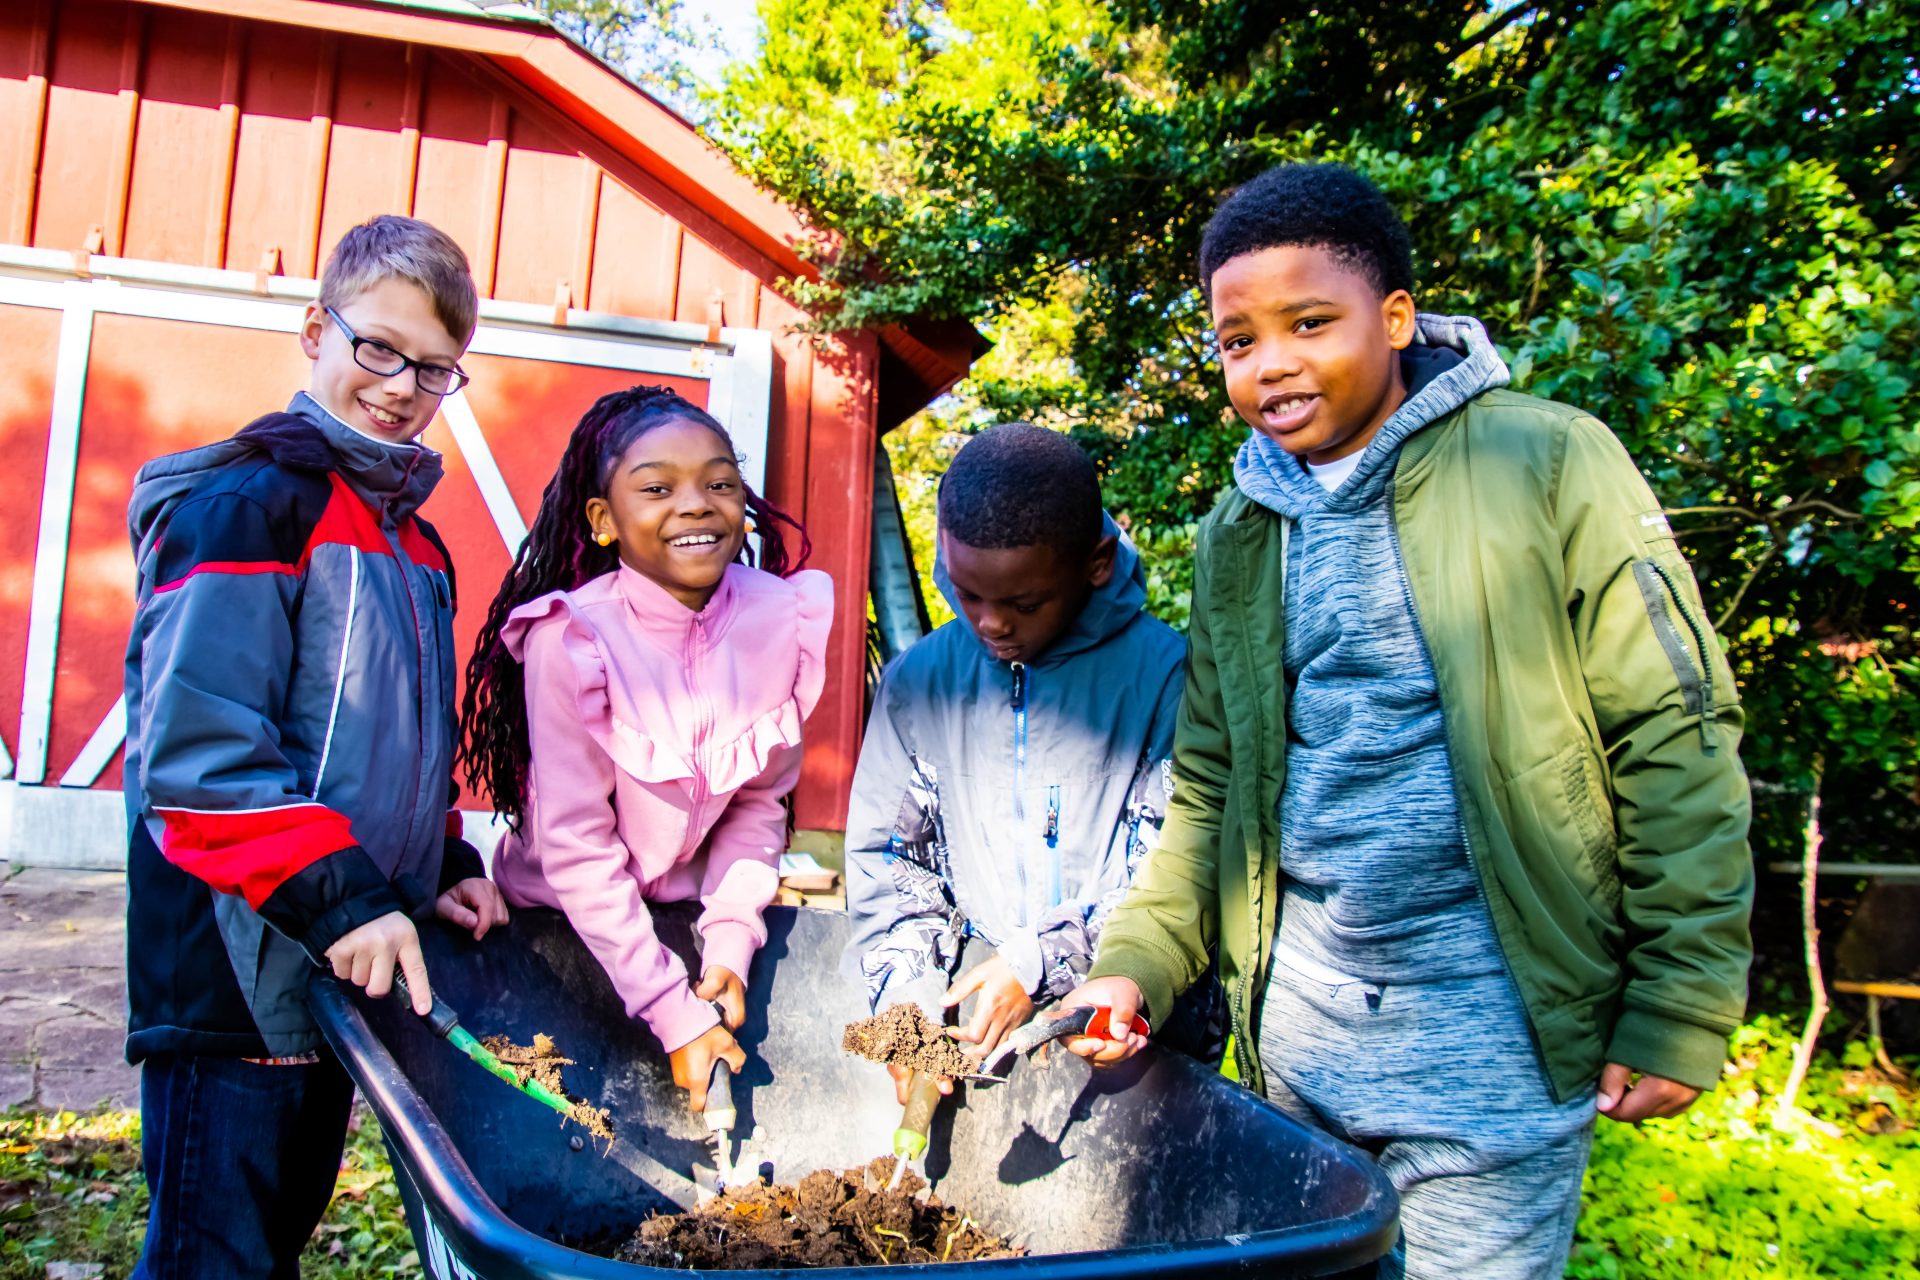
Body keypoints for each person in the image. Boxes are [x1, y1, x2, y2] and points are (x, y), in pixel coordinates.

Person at [1061, 164, 1753, 1279]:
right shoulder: (1240, 532)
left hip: (1493, 1048)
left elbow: (1671, 732)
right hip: (1297, 1051)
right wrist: (1133, 960)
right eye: (1238, 340)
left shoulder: (1544, 459)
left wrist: (1681, 992)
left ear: (1395, 319)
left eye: (1310, 321)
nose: (1272, 360)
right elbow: (1210, 789)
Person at [123, 215, 508, 1279]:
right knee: (220, 1258)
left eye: (433, 370)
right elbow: (198, 761)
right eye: (376, 346)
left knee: (275, 1239)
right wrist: (345, 899)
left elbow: (401, 746)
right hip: (238, 975)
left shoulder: (413, 540)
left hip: (340, 974)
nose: (399, 385)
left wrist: (445, 869)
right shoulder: (251, 508)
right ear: (315, 328)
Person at [459, 385, 831, 1113]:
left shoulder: (781, 620)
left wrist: (727, 943)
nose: (696, 504)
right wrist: (667, 1005)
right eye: (657, 487)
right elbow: (577, 847)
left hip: (685, 926)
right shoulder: (573, 641)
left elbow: (758, 806)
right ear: (604, 520)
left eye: (720, 482)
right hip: (557, 937)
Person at [844, 422, 1188, 1104]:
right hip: (978, 1018)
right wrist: (912, 1008)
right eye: (968, 594)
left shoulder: (1167, 676)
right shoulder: (920, 684)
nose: (992, 623)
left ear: (1093, 564)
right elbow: (892, 866)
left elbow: (1170, 871)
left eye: (1023, 603)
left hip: (1123, 1035)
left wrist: (1038, 962)